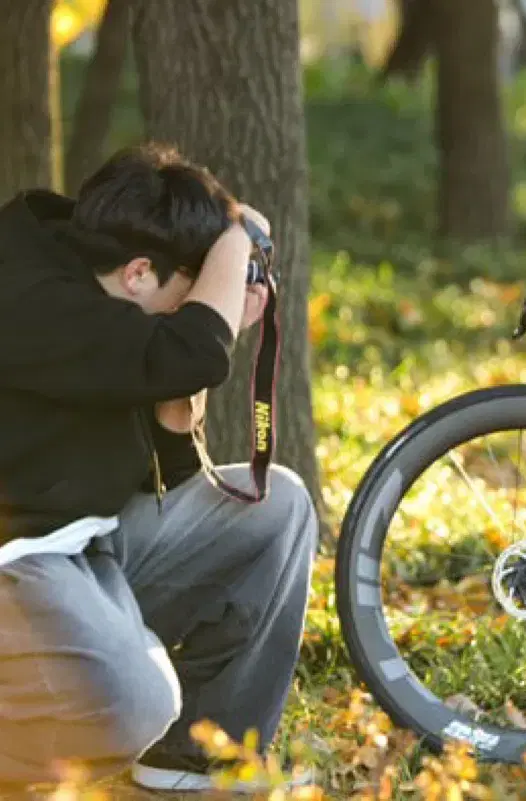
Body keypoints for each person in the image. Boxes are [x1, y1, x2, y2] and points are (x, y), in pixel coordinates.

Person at [0, 143, 317, 793]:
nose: (182, 315)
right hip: (17, 555)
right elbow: (185, 351)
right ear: (140, 273)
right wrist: (232, 241)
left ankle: (189, 759)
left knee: (275, 505)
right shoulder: (27, 294)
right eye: (180, 297)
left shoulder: (104, 277)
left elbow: (169, 463)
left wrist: (185, 375)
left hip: (85, 540)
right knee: (135, 705)